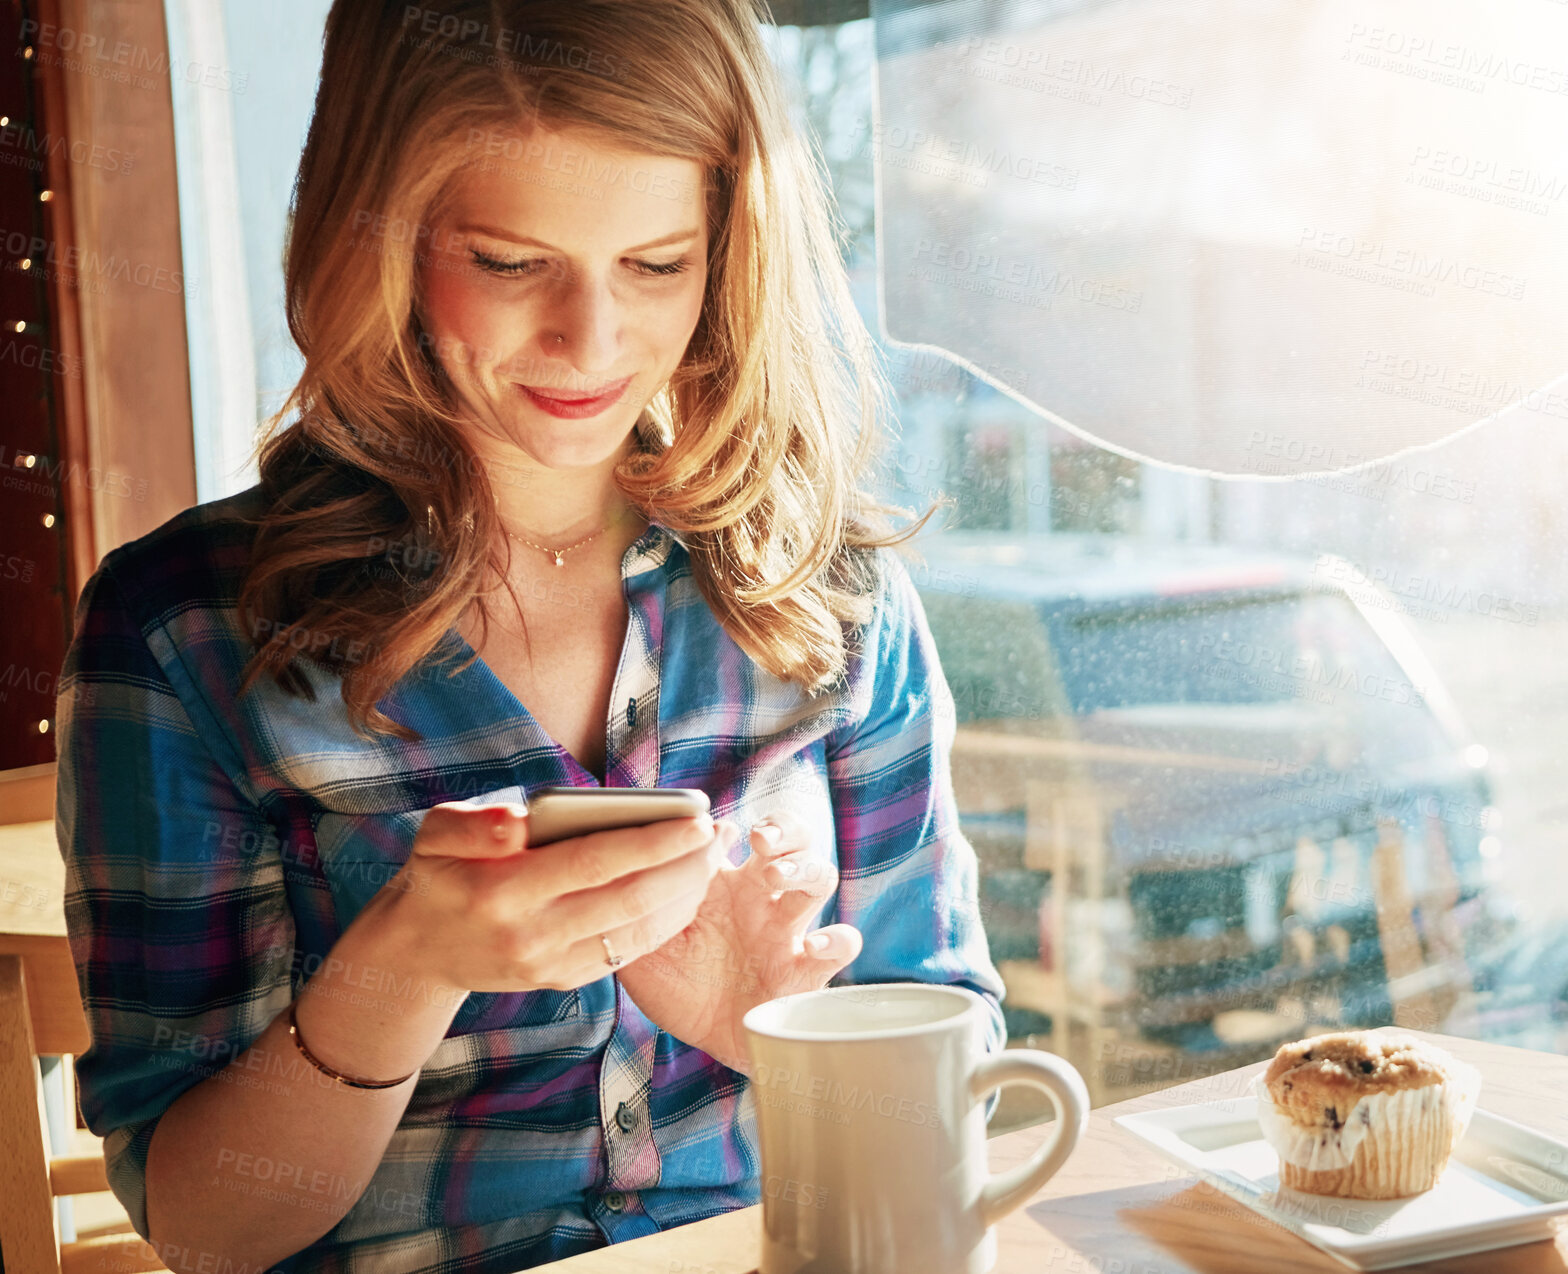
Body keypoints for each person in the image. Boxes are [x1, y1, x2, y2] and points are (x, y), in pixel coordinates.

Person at [54, 2, 1006, 1270]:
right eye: (508, 262)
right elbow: (210, 1230)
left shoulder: (828, 597)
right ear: (374, 239)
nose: (591, 341)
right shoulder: (184, 637)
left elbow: (962, 1108)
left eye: (657, 264)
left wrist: (774, 1027)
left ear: (729, 253)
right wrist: (405, 964)